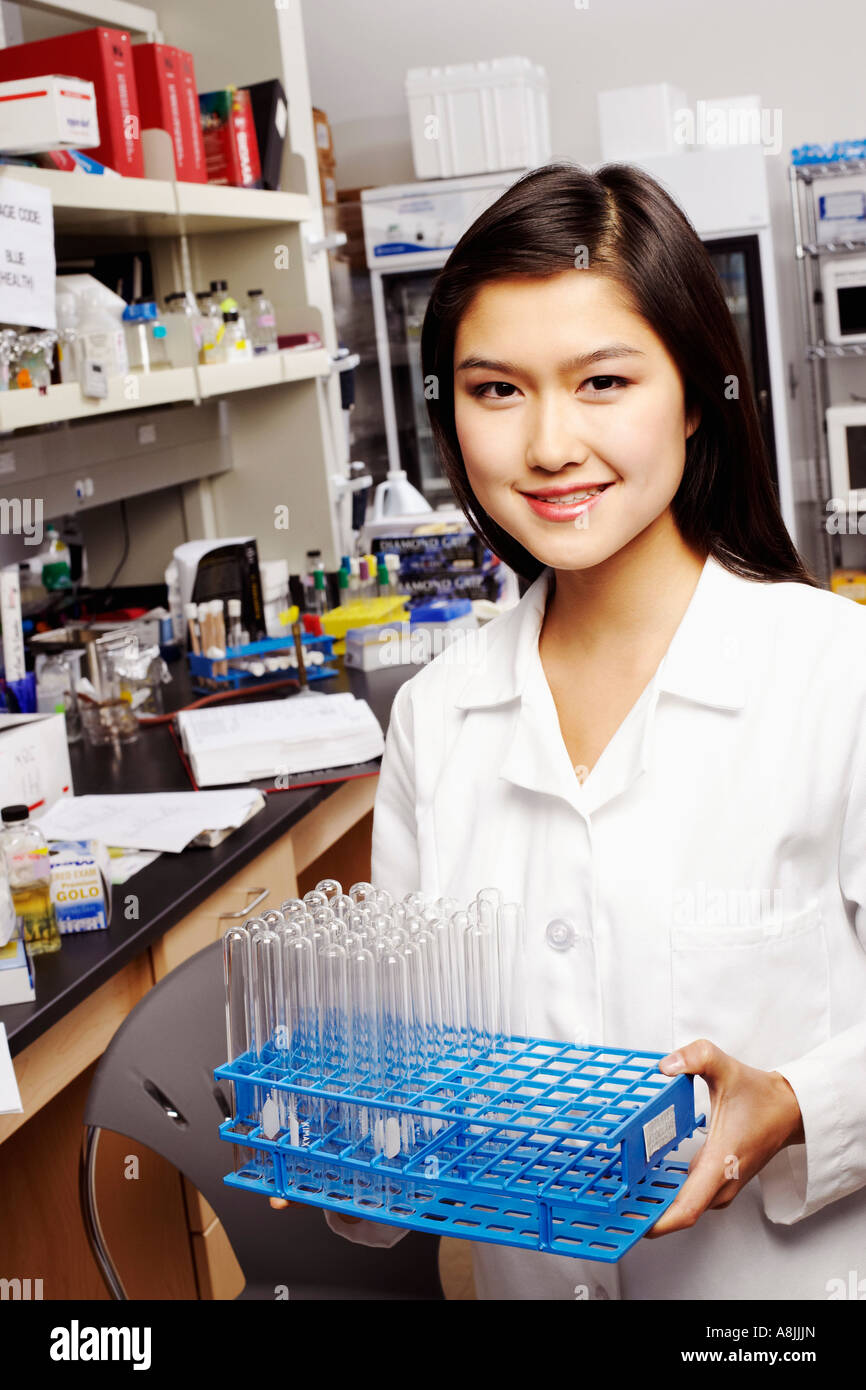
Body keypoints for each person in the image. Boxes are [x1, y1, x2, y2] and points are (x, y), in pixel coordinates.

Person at [276, 162, 866, 1300]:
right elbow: (407, 1104)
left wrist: (792, 1102)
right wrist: (344, 1131)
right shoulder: (438, 720)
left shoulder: (832, 674)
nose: (548, 445)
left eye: (602, 381)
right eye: (495, 390)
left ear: (694, 398)